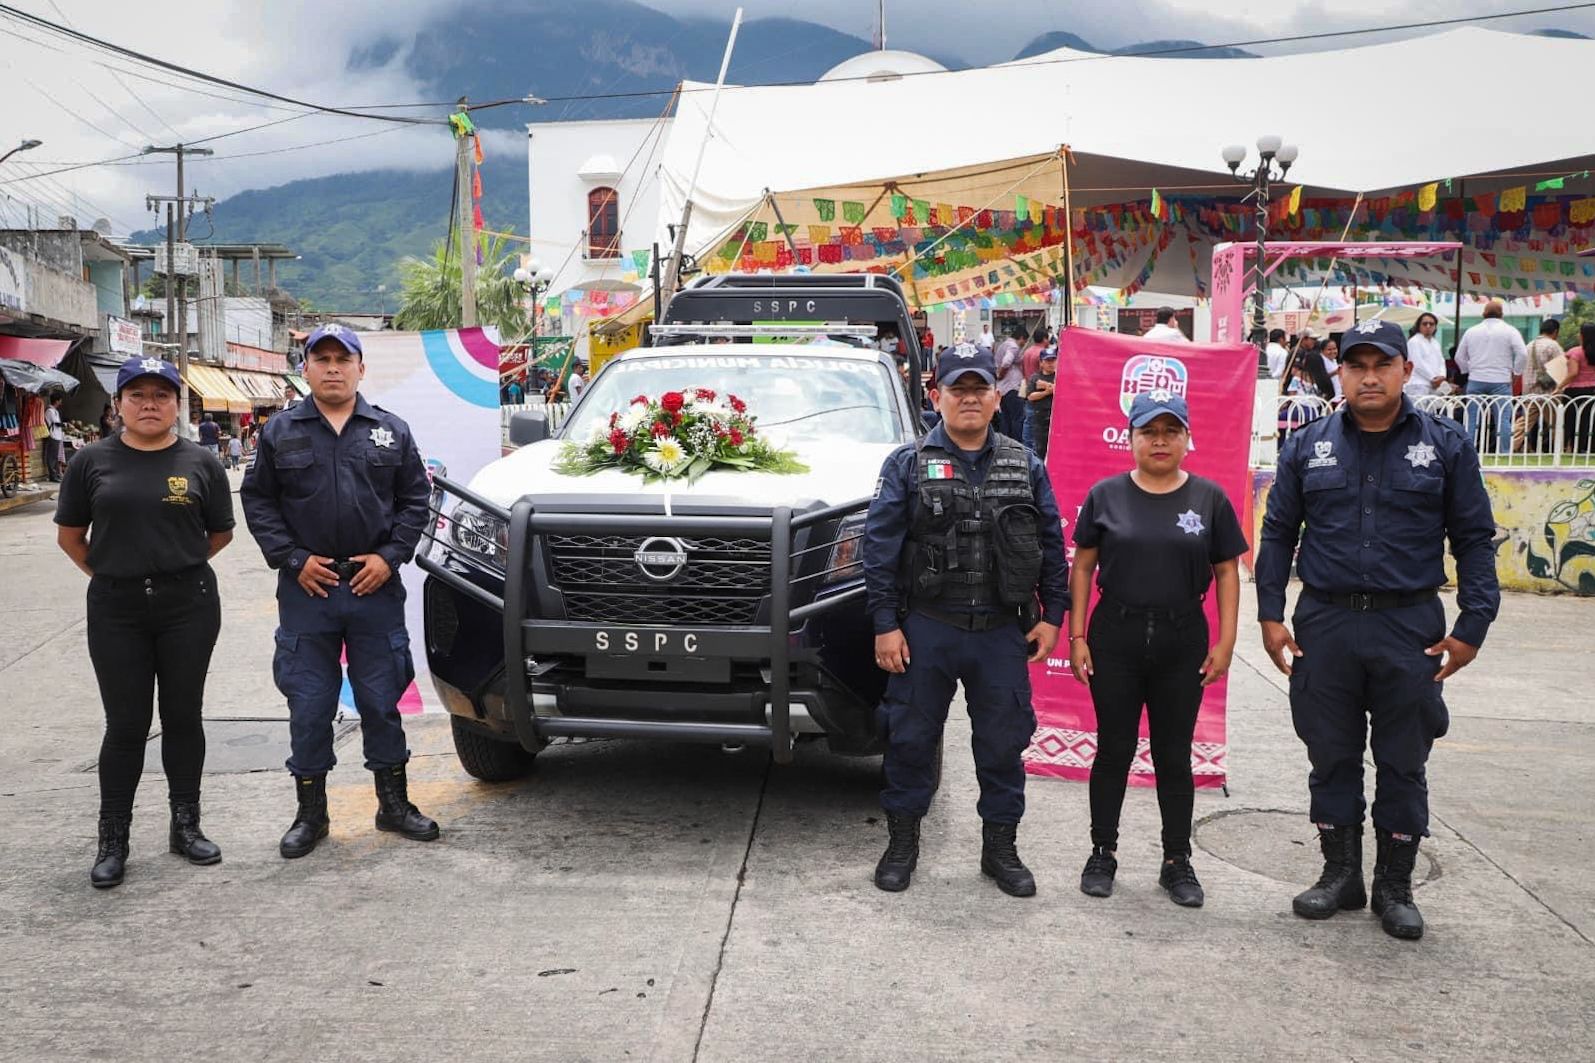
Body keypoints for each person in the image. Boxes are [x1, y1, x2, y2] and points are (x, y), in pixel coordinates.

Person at [1256, 319, 1499, 941]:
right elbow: (1278, 533)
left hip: (1408, 624)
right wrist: (1270, 614)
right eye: (1356, 365)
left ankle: (1395, 886)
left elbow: (1474, 539)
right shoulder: (1307, 445)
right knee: (1330, 753)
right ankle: (1340, 874)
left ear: (1405, 371)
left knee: (1403, 758)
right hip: (1326, 622)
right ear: (1339, 371)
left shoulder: (1445, 446)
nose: (1369, 377)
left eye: (1382, 365)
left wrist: (1473, 625)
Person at [863, 345, 1069, 897]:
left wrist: (1053, 616)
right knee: (909, 740)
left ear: (998, 397)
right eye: (959, 389)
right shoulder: (906, 464)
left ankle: (1000, 849)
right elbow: (879, 550)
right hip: (926, 627)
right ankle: (902, 845)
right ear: (937, 397)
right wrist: (884, 623)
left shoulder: (1026, 464)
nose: (970, 399)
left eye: (980, 389)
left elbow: (1052, 542)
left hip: (1001, 630)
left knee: (1003, 744)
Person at [240, 324, 439, 860]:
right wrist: (293, 559)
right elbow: (258, 502)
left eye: (342, 359)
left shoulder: (391, 431)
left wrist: (389, 557)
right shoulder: (280, 431)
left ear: (360, 368)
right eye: (321, 359)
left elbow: (416, 501)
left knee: (381, 701)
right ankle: (311, 814)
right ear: (305, 369)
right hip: (308, 591)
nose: (332, 368)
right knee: (309, 705)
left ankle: (393, 805)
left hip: (374, 589)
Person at [54, 356, 235, 888]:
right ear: (118, 405)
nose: (149, 405)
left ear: (178, 405)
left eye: (161, 395)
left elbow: (220, 534)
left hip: (189, 607)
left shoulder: (201, 462)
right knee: (126, 725)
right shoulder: (90, 462)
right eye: (137, 395)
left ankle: (186, 825)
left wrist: (172, 563)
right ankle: (114, 839)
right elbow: (70, 536)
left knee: (183, 716)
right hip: (117, 610)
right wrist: (116, 572)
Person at [1068, 391, 1246, 908]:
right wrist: (1077, 636)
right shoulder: (1105, 495)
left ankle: (1177, 860)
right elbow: (1082, 566)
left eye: (1171, 431)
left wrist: (1226, 641)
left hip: (1181, 639)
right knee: (1114, 749)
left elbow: (1226, 572)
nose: (1160, 441)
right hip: (1115, 637)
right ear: (1131, 439)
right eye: (1149, 431)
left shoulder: (1209, 499)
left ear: (1188, 439)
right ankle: (1102, 852)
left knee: (1173, 754)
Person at [1454, 300, 1527, 454]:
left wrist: (1468, 371)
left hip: (1476, 379)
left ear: (1483, 314)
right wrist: (1516, 373)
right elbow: (1522, 353)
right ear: (1502, 314)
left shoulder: (1471, 331)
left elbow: (1459, 357)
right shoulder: (1510, 331)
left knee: (1472, 419)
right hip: (1501, 380)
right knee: (1503, 419)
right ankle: (1504, 453)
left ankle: (1469, 452)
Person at [1521, 318, 1564, 453]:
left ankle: (1511, 444)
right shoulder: (1553, 345)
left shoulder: (1529, 345)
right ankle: (1559, 448)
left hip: (1529, 390)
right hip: (1548, 391)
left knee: (1525, 422)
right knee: (1556, 422)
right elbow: (1561, 369)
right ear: (1555, 331)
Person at [1561, 323, 1595, 455]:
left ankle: (1576, 447)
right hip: (1593, 391)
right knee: (1590, 420)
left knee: (1574, 422)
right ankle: (1590, 447)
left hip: (1575, 392)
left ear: (1582, 336)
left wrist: (1559, 386)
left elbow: (1573, 373)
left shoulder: (1575, 352)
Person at [1403, 313, 1448, 400]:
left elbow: (1441, 362)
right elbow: (1417, 363)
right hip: (1418, 384)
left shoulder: (1435, 343)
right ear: (1419, 326)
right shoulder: (1414, 341)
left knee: (1433, 408)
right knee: (1419, 408)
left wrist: (1442, 376)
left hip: (1434, 385)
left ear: (1435, 326)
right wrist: (1433, 378)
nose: (1428, 326)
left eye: (1431, 324)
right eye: (1425, 323)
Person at [994, 325, 1025, 440]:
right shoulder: (1014, 347)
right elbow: (1007, 362)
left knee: (1005, 419)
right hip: (1012, 386)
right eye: (1024, 341)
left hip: (1002, 388)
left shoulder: (1004, 344)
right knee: (1017, 418)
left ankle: (1006, 442)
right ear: (1021, 338)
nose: (1023, 344)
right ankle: (1016, 442)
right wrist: (1001, 374)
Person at [1025, 347, 1057, 460]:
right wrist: (1046, 392)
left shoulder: (1060, 376)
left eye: (1053, 360)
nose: (1051, 363)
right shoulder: (1035, 378)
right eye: (1047, 361)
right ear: (1041, 363)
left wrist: (1049, 387)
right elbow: (1030, 396)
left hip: (1056, 418)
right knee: (1040, 449)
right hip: (1040, 418)